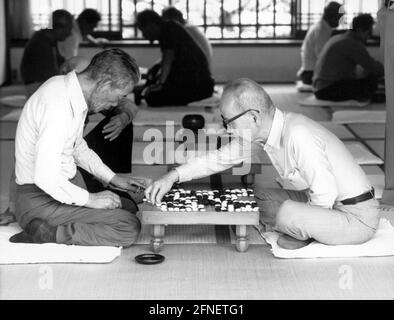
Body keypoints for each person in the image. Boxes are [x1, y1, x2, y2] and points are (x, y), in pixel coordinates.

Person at [145, 78, 380, 250]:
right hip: (327, 206)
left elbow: (326, 194)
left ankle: (299, 227)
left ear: (254, 117)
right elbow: (218, 159)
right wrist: (172, 176)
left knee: (287, 213)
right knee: (254, 197)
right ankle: (294, 224)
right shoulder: (261, 133)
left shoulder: (297, 133)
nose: (227, 129)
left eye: (229, 122)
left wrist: (305, 222)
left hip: (356, 217)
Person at [10, 49, 149, 247]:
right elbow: (45, 178)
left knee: (127, 206)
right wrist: (91, 199)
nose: (117, 103)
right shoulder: (57, 107)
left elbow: (77, 147)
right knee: (128, 226)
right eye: (120, 95)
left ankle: (64, 225)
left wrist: (113, 178)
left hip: (62, 188)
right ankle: (48, 233)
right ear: (105, 83)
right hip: (40, 199)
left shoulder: (68, 90)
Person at [135, 9, 214, 107]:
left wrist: (161, 85)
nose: (144, 35)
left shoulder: (168, 30)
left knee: (152, 97)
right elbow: (165, 62)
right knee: (153, 78)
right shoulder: (169, 28)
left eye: (144, 30)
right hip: (198, 84)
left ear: (152, 25)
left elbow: (168, 58)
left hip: (199, 86)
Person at [313, 14, 384, 101]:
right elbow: (373, 67)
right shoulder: (353, 43)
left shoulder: (339, 37)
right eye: (369, 32)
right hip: (327, 90)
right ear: (360, 30)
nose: (369, 37)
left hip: (318, 87)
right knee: (371, 80)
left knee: (365, 77)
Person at [20, 9, 74, 98]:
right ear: (59, 28)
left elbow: (60, 62)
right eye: (69, 29)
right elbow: (51, 75)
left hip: (42, 83)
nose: (70, 33)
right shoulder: (41, 44)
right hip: (36, 87)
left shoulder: (48, 38)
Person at [297, 2, 343, 85]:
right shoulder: (322, 30)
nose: (341, 21)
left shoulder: (323, 27)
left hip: (310, 72)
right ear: (332, 16)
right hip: (311, 74)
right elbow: (322, 56)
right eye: (339, 17)